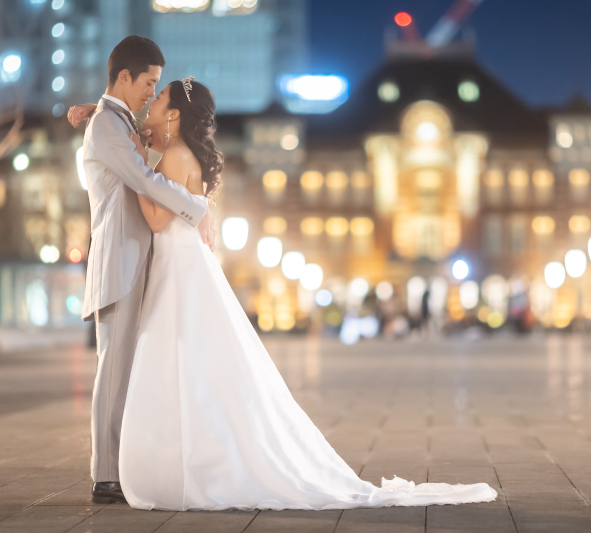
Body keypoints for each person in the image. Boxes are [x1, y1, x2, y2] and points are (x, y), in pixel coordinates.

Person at [70, 56, 496, 513]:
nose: (149, 103)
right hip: (182, 269)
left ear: (173, 116)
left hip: (176, 271)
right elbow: (156, 173)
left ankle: (176, 458)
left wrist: (135, 168)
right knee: (195, 365)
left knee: (179, 364)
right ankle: (190, 455)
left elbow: (155, 219)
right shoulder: (174, 151)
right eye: (148, 91)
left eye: (159, 98)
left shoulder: (171, 155)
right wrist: (114, 131)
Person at [70, 35, 216, 506]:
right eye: (148, 83)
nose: (151, 94)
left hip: (138, 258)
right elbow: (144, 178)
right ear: (125, 77)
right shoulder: (107, 126)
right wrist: (198, 206)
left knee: (129, 369)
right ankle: (105, 475)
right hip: (121, 259)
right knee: (113, 370)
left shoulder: (112, 120)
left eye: (158, 88)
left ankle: (124, 467)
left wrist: (95, 110)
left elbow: (128, 129)